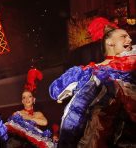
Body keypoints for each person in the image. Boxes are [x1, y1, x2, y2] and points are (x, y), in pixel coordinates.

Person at [49, 17, 136, 148]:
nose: (129, 40)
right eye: (124, 36)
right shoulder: (89, 72)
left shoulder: (131, 60)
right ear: (110, 43)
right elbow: (56, 90)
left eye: (129, 37)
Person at [6, 68, 53, 148]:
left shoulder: (38, 114)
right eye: (24, 97)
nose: (27, 99)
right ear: (22, 101)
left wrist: (28, 117)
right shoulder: (17, 113)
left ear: (33, 99)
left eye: (29, 96)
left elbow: (45, 122)